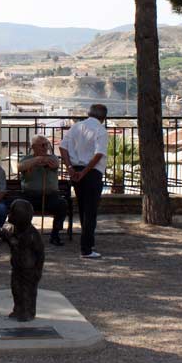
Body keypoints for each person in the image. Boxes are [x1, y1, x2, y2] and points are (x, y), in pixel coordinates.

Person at [0, 198, 44, 322]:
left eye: (12, 213)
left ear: (21, 217)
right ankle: (18, 309)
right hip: (16, 267)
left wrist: (38, 270)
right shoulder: (11, 228)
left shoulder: (32, 235)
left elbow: (40, 254)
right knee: (16, 289)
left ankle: (28, 311)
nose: (9, 215)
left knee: (28, 291)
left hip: (29, 270)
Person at [61, 104, 109, 259]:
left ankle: (88, 241)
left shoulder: (76, 127)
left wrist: (70, 168)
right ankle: (86, 248)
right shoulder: (100, 131)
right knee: (90, 211)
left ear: (89, 113)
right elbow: (99, 154)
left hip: (75, 170)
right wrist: (85, 172)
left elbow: (63, 148)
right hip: (91, 172)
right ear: (104, 117)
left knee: (82, 208)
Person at [18, 134, 68, 246]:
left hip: (50, 196)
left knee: (62, 204)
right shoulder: (26, 159)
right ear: (34, 147)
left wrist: (41, 161)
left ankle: (55, 235)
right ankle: (25, 235)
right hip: (30, 196)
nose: (46, 147)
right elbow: (20, 167)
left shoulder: (53, 157)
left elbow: (54, 164)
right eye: (43, 145)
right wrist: (37, 160)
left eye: (47, 145)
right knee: (20, 207)